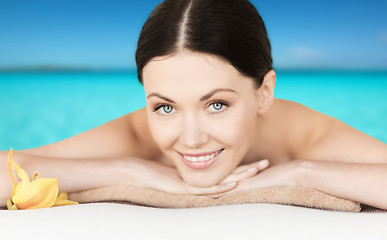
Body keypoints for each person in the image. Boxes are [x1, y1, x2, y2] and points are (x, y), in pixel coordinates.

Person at [1, 0, 387, 209]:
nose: (191, 138)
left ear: (264, 92)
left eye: (216, 104)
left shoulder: (306, 135)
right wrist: (131, 170)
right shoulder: (137, 135)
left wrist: (302, 173)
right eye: (164, 107)